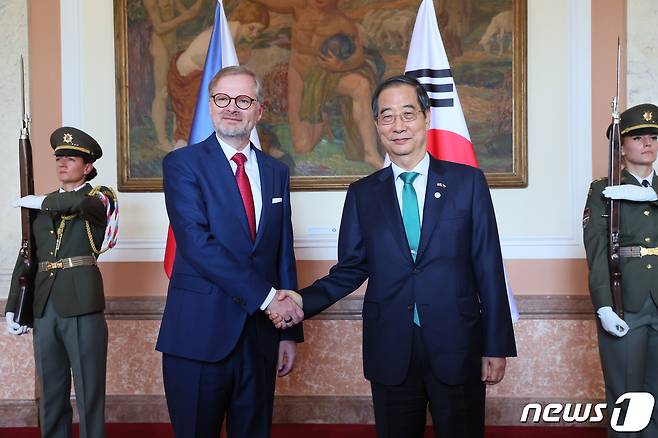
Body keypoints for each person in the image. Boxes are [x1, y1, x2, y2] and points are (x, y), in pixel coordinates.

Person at [272, 75, 516, 437]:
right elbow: (350, 269)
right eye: (387, 116)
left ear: (426, 117)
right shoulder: (362, 194)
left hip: (458, 344)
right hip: (391, 348)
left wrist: (496, 345)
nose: (398, 126)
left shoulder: (468, 183)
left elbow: (488, 267)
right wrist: (300, 301)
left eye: (407, 114)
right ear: (376, 124)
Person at [156, 66, 304, 438]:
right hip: (197, 336)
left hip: (260, 339)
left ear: (259, 109)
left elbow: (282, 250)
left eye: (243, 100)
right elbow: (196, 244)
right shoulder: (182, 164)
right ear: (210, 105)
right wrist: (270, 299)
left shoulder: (276, 171)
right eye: (222, 99)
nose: (231, 108)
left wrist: (289, 332)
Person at [5, 127, 117, 438]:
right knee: (51, 390)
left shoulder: (99, 198)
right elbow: (28, 255)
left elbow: (80, 207)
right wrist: (14, 305)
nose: (62, 163)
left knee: (89, 390)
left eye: (71, 158)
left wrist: (42, 202)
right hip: (44, 304)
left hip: (81, 302)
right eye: (59, 158)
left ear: (88, 166)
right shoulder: (42, 205)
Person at [583, 103, 658, 437]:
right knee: (628, 398)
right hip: (626, 300)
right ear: (621, 147)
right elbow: (597, 250)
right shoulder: (604, 190)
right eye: (638, 137)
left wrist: (650, 196)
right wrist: (602, 305)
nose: (648, 144)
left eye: (653, 137)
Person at [253, 0, 384, 169]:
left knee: (361, 85)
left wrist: (340, 66)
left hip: (326, 75)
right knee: (303, 146)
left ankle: (370, 152)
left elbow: (358, 56)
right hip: (299, 73)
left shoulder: (342, 22)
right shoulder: (298, 6)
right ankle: (324, 120)